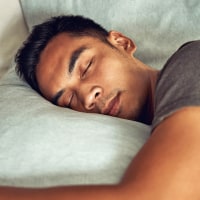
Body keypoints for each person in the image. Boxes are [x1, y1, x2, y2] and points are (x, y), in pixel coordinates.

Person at [1, 15, 200, 199]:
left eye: (86, 67)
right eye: (69, 100)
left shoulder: (189, 62)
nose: (88, 98)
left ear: (122, 43)